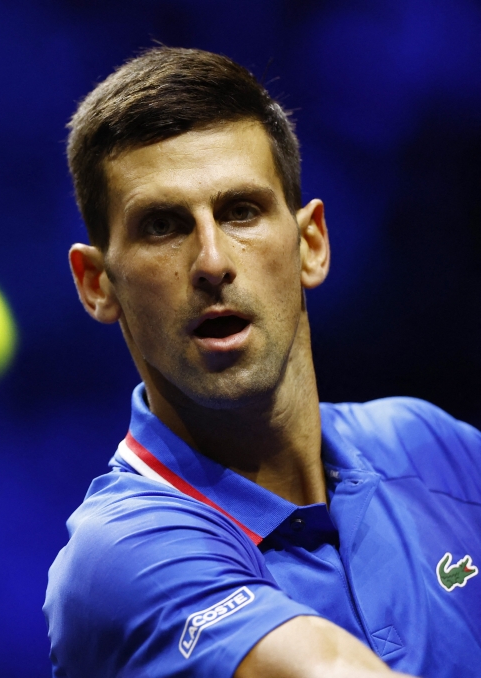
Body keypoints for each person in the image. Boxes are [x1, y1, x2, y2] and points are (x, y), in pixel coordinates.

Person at [43, 47, 481, 678]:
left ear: (311, 244)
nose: (213, 262)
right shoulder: (116, 556)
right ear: (97, 284)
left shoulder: (431, 447)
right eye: (163, 225)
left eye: (240, 211)